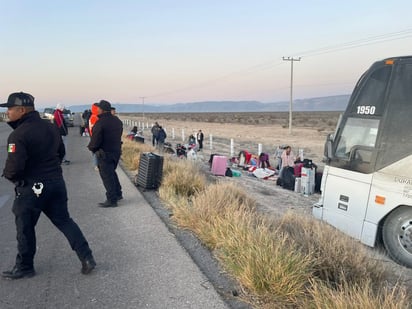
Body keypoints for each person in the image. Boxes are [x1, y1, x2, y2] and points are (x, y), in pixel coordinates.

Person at [0, 92, 96, 280]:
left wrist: (13, 178)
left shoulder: (17, 134)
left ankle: (25, 267)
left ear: (21, 110)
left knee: (25, 227)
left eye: (9, 109)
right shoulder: (51, 127)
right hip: (56, 183)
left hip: (31, 187)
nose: (7, 112)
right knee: (64, 221)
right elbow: (61, 153)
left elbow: (14, 167)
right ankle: (87, 257)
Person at [87, 100, 123, 207]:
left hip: (104, 153)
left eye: (98, 108)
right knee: (112, 173)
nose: (97, 109)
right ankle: (118, 193)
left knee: (107, 176)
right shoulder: (117, 120)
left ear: (101, 110)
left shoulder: (100, 122)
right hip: (116, 151)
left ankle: (112, 200)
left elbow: (95, 139)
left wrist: (92, 148)